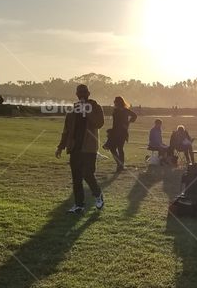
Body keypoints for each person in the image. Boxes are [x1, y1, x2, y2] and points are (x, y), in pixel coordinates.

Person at [55, 84, 105, 212]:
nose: (82, 94)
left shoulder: (96, 107)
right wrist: (61, 146)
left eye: (84, 92)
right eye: (79, 92)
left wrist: (86, 111)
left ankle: (98, 194)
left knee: (88, 174)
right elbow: (66, 131)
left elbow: (99, 123)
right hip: (75, 147)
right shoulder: (72, 110)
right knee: (76, 177)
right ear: (76, 94)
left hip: (89, 148)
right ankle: (79, 205)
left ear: (89, 93)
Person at [106, 96, 137, 172]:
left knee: (119, 148)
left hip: (122, 132)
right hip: (116, 131)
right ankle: (119, 164)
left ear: (119, 102)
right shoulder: (116, 110)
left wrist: (128, 122)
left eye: (115, 101)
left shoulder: (124, 110)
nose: (114, 103)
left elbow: (134, 116)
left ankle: (120, 165)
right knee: (113, 148)